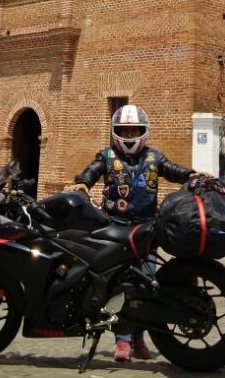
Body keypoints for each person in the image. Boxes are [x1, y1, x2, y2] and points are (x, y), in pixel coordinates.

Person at [69, 104, 201, 363]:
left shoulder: (154, 157)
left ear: (143, 131)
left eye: (134, 130)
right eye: (124, 130)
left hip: (145, 231)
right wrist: (83, 182)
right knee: (119, 286)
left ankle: (139, 338)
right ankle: (122, 342)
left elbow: (173, 170)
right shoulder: (107, 155)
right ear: (116, 131)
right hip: (114, 230)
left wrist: (192, 174)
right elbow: (92, 170)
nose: (129, 134)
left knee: (147, 286)